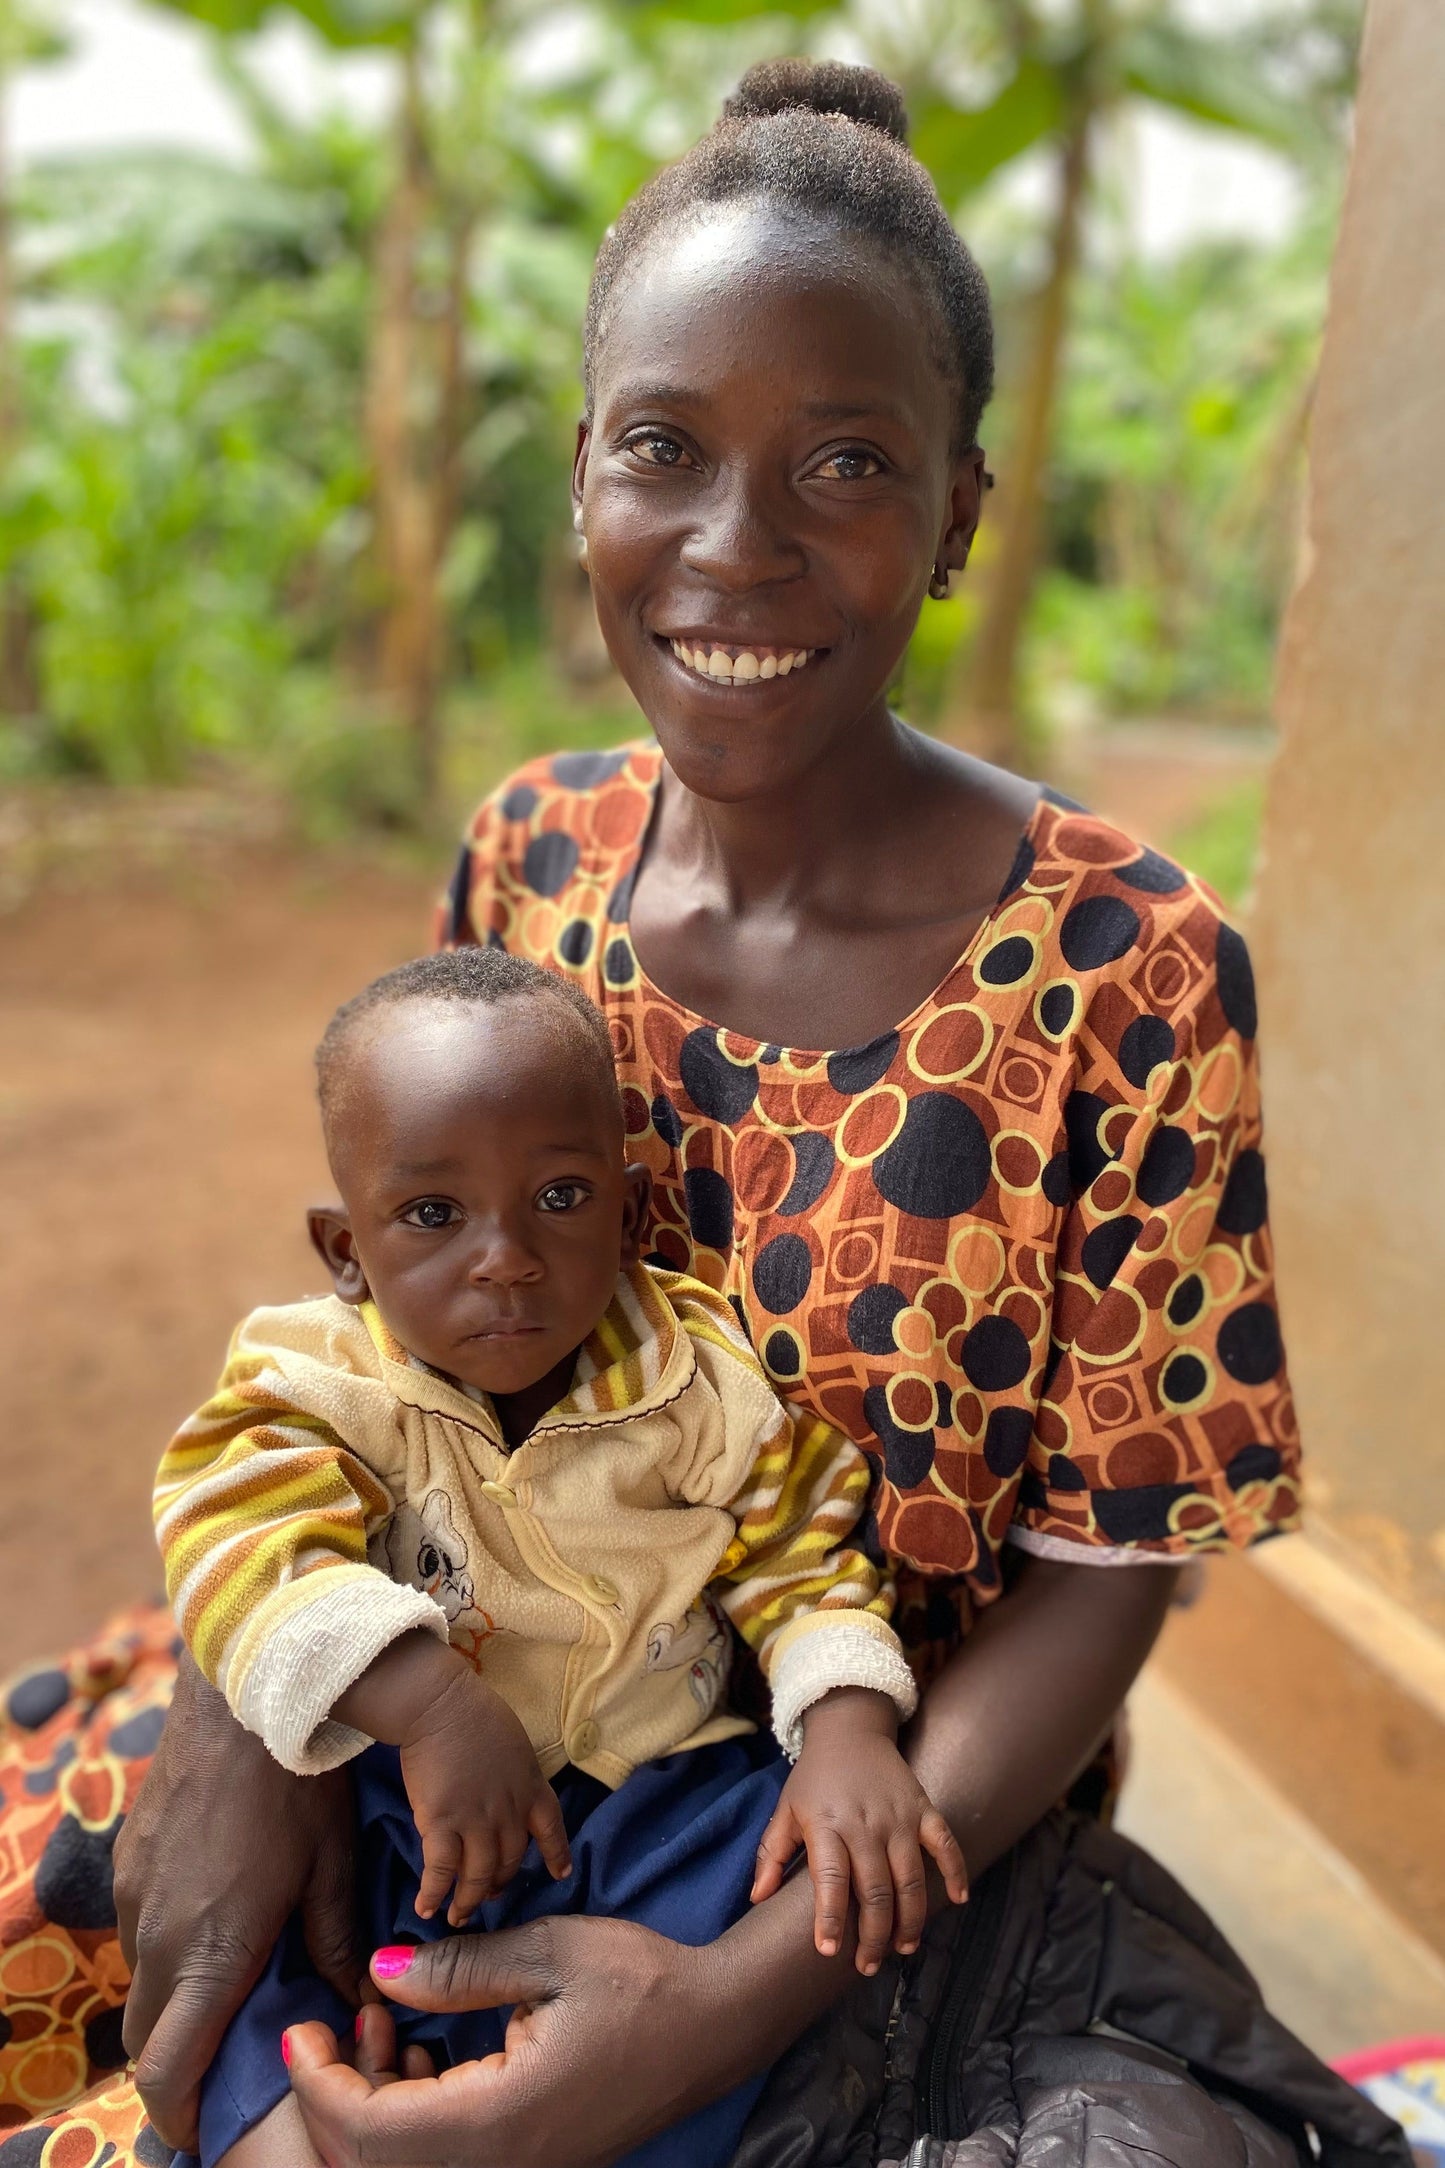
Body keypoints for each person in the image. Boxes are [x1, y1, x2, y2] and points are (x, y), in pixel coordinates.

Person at [0, 55, 1305, 2168]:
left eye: (845, 462)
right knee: (117, 1964)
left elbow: (1105, 1560)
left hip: (840, 1840)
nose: (733, 546)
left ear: (960, 513)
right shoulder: (533, 848)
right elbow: (386, 1304)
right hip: (428, 1708)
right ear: (582, 484)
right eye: (662, 450)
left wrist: (720, 2008)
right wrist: (261, 1716)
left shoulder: (1127, 965)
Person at [157, 946, 961, 2168]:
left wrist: (847, 1724)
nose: (507, 1256)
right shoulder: (316, 1385)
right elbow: (236, 1539)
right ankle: (292, 2128)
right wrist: (424, 1705)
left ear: (632, 1213)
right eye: (432, 1214)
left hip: (660, 1795)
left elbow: (800, 1555)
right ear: (343, 1248)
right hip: (405, 1811)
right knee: (273, 1964)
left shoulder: (698, 1375)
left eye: (560, 1197)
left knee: (801, 1893)